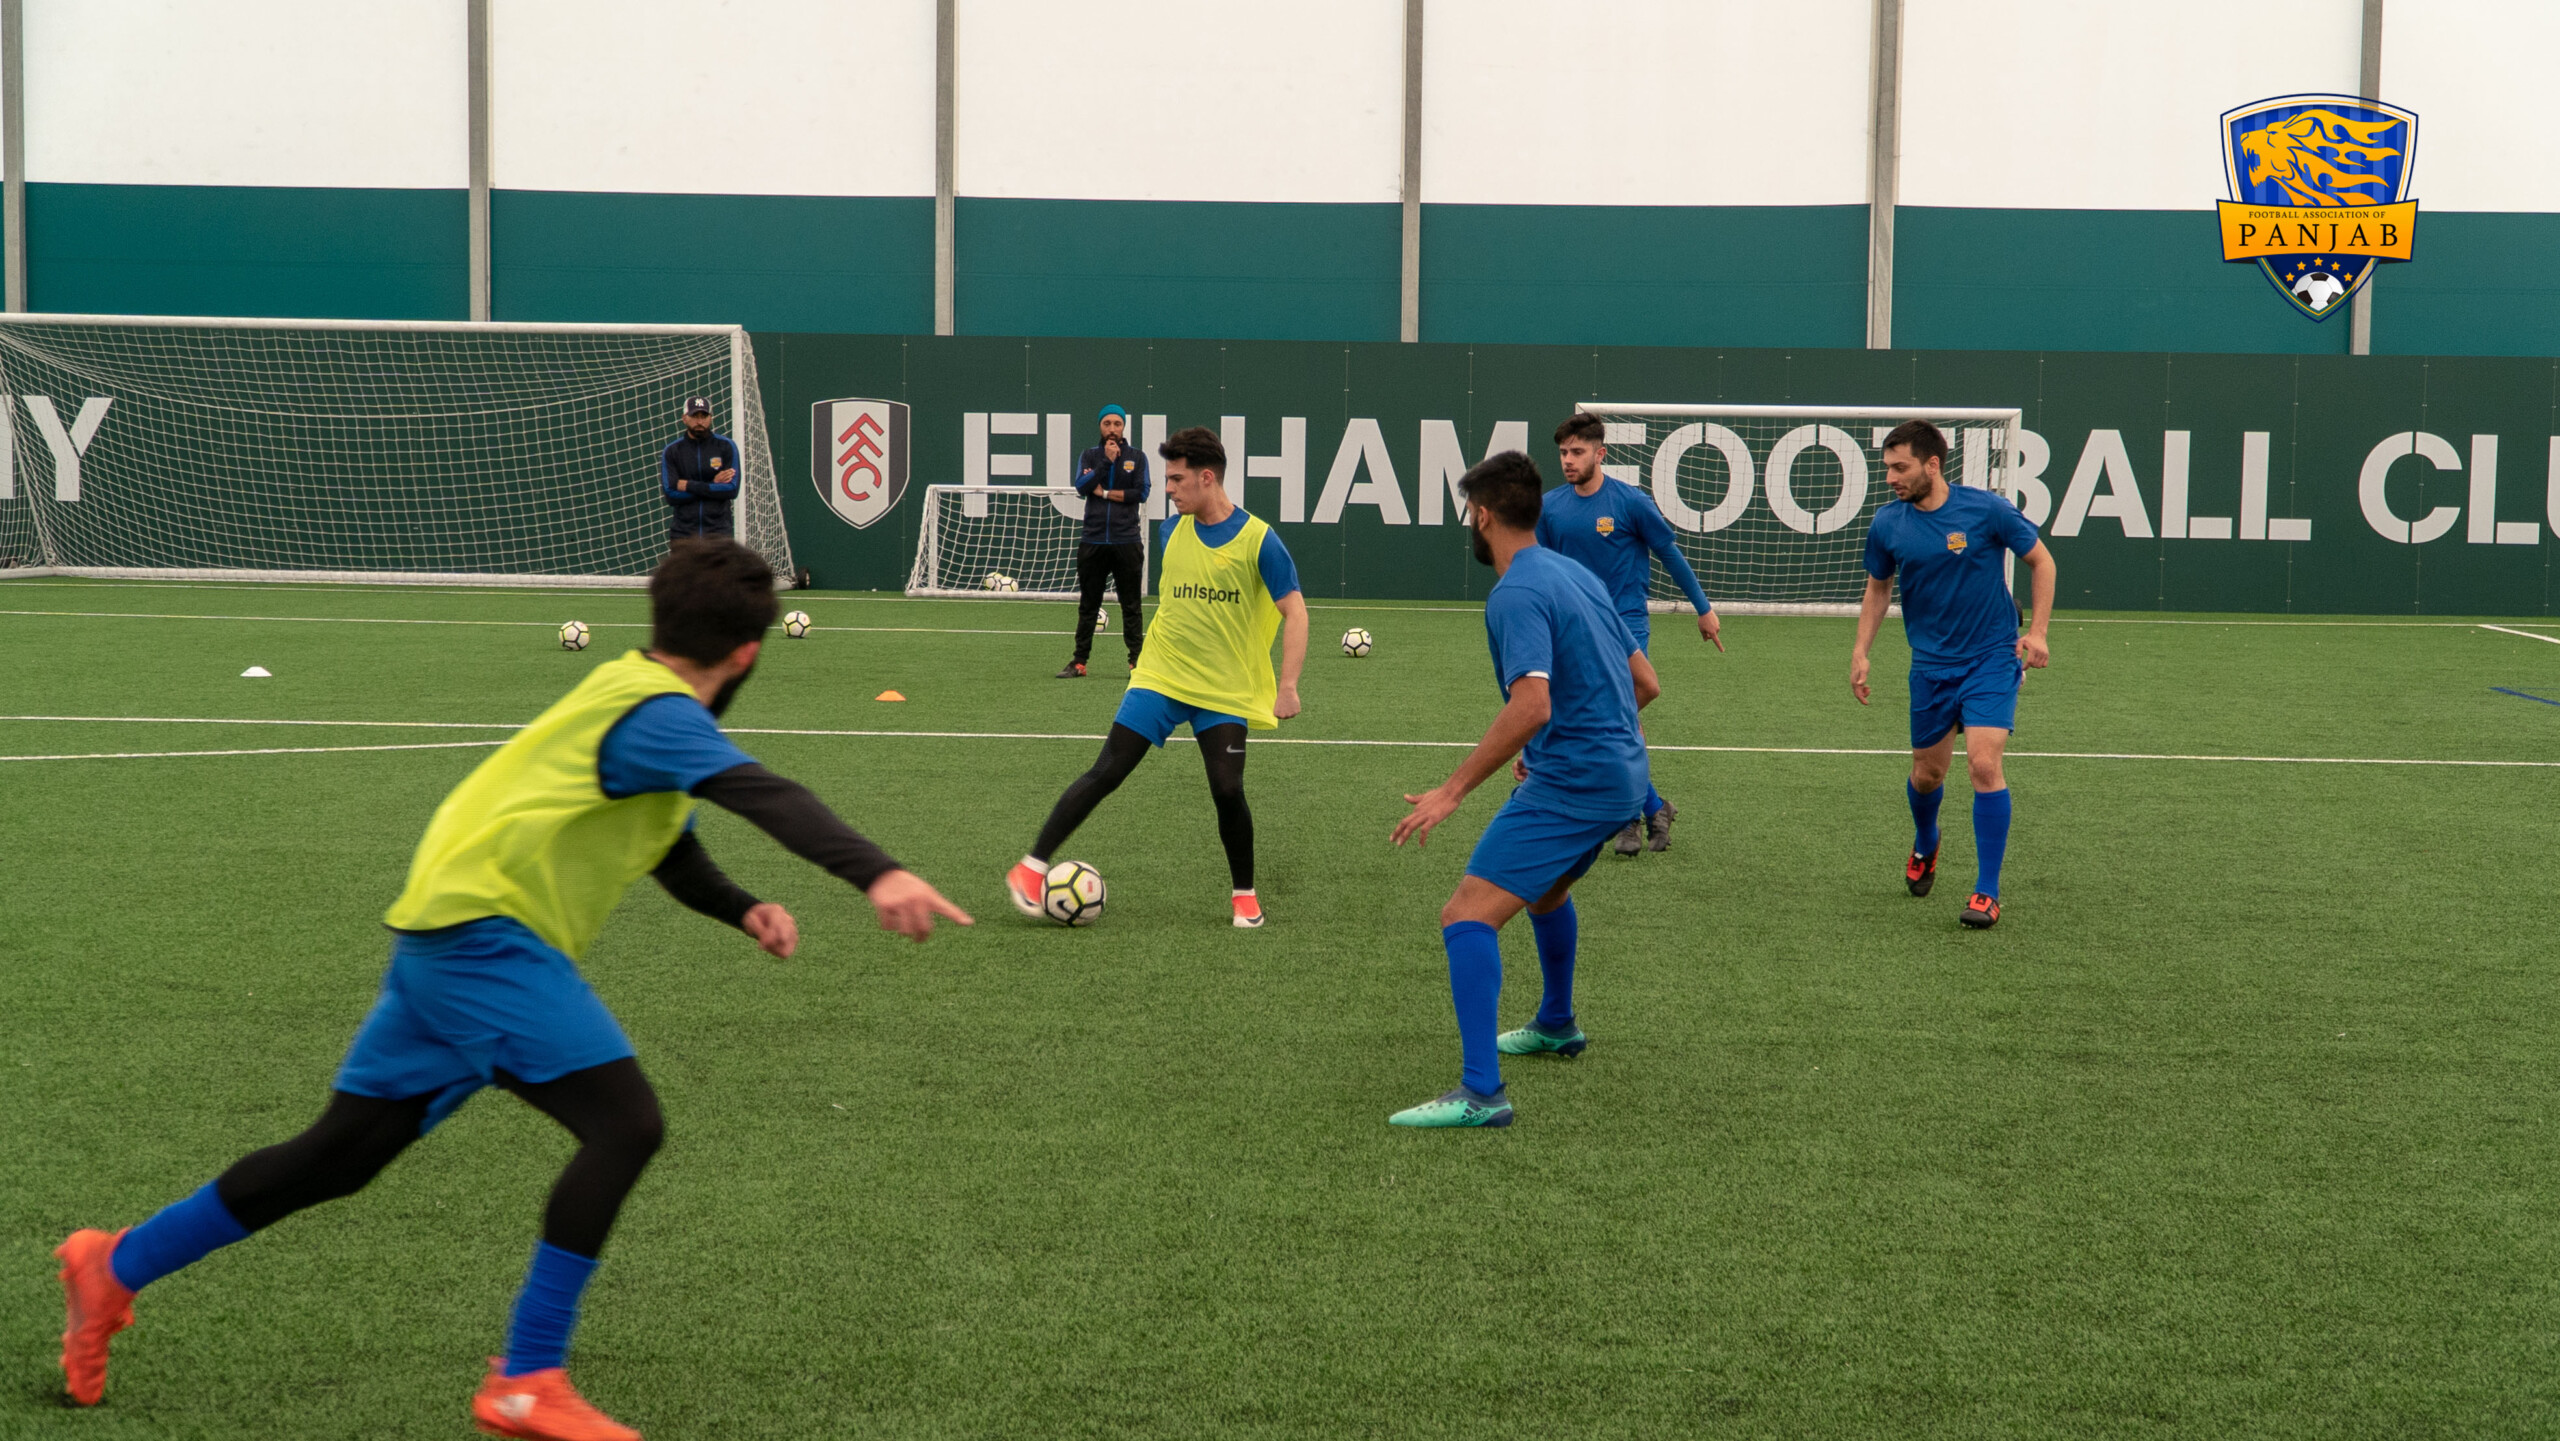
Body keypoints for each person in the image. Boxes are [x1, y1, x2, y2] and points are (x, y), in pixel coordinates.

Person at [53, 539, 971, 1439]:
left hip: (443, 931)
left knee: (339, 1157)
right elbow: (767, 792)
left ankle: (114, 1266)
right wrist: (878, 872)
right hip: (484, 941)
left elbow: (668, 840)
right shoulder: (662, 714)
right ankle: (527, 1378)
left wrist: (739, 908)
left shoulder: (626, 691)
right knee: (625, 1123)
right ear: (746, 655)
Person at [1389, 451, 1659, 1128]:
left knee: (1466, 915)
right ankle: (1557, 1023)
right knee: (1546, 888)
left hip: (1578, 780)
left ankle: (1482, 1092)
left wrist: (1451, 790)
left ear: (1481, 515)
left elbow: (1531, 703)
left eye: (1467, 516)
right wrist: (1565, 743)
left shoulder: (1514, 592)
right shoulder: (1577, 573)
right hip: (1621, 774)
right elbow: (1646, 683)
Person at [1008, 426, 1307, 929]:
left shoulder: (1261, 540)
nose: (1166, 489)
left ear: (1207, 478)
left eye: (1176, 479)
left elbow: (1295, 613)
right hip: (1161, 677)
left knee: (1228, 791)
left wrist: (1288, 685)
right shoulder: (1172, 531)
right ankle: (1031, 867)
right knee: (1107, 770)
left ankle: (1244, 896)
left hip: (1223, 689)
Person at [1850, 419, 2057, 929]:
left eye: (1901, 467)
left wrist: (2039, 632)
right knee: (1928, 774)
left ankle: (1986, 891)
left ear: (1933, 464)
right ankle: (1927, 841)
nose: (1892, 478)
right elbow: (1878, 589)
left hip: (1991, 657)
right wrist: (1861, 651)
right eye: (1888, 469)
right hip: (1931, 667)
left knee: (1984, 765)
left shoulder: (1986, 510)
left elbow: (2043, 562)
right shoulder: (1887, 524)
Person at [1535, 413, 1721, 858]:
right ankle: (1655, 807)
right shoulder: (1551, 508)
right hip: (1575, 629)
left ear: (1601, 454)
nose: (1568, 460)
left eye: (1578, 451)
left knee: (1615, 720)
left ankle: (1628, 822)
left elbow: (1669, 553)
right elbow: (1542, 571)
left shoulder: (1629, 502)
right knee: (1614, 725)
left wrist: (1704, 608)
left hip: (1626, 627)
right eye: (1563, 452)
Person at [1056, 404, 1150, 678]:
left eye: (1117, 424)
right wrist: (1105, 462)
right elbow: (1082, 487)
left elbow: (1140, 493)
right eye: (1107, 423)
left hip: (1126, 541)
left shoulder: (1137, 457)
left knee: (1131, 605)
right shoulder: (1090, 456)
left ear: (1124, 427)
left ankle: (1137, 664)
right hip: (1093, 540)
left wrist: (1106, 494)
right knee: (1088, 604)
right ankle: (1079, 662)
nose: (1112, 429)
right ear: (1100, 426)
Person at [661, 397, 741, 542]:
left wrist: (689, 485)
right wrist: (713, 484)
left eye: (704, 416)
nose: (699, 421)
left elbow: (731, 489)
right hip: (683, 534)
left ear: (710, 418)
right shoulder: (672, 451)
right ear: (684, 418)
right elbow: (671, 495)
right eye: (694, 416)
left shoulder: (726, 446)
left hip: (718, 533)